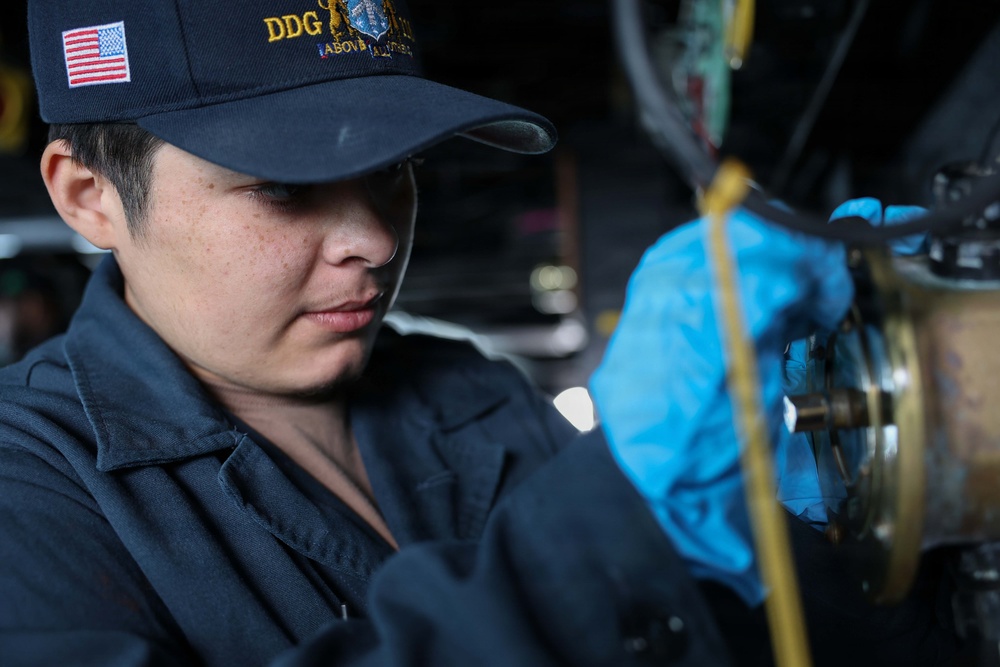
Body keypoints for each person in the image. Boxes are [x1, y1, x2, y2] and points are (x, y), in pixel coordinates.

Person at [0, 0, 957, 665]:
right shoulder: (29, 486)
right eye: (284, 188)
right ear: (89, 197)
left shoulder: (470, 392)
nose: (374, 240)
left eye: (393, 169)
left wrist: (833, 533)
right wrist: (614, 522)